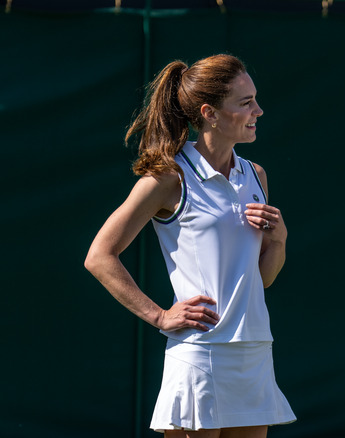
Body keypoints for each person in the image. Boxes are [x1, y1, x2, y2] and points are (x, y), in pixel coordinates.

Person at [85, 54, 296, 437]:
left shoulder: (256, 175)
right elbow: (99, 256)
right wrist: (160, 316)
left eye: (256, 100)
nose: (258, 111)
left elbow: (262, 280)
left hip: (253, 351)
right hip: (201, 355)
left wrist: (278, 240)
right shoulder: (169, 179)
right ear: (210, 113)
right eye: (246, 102)